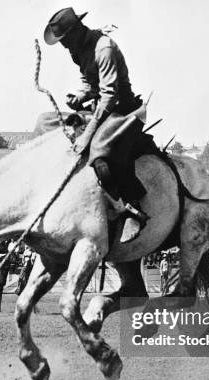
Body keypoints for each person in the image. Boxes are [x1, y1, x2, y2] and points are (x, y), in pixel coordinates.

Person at [43, 7, 152, 243]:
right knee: (45, 122)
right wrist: (79, 96)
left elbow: (109, 96)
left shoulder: (104, 48)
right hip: (100, 107)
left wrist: (87, 135)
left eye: (64, 40)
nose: (63, 46)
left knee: (100, 149)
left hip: (124, 110)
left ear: (76, 31)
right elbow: (89, 81)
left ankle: (132, 208)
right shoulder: (77, 50)